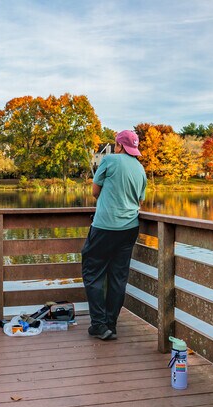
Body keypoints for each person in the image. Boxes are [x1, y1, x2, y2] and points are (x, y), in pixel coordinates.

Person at [81, 130, 147, 340]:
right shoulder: (140, 169)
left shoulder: (109, 160)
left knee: (93, 272)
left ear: (119, 145)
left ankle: (99, 325)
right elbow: (140, 202)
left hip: (105, 227)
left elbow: (94, 191)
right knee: (118, 277)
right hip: (129, 228)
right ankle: (111, 324)